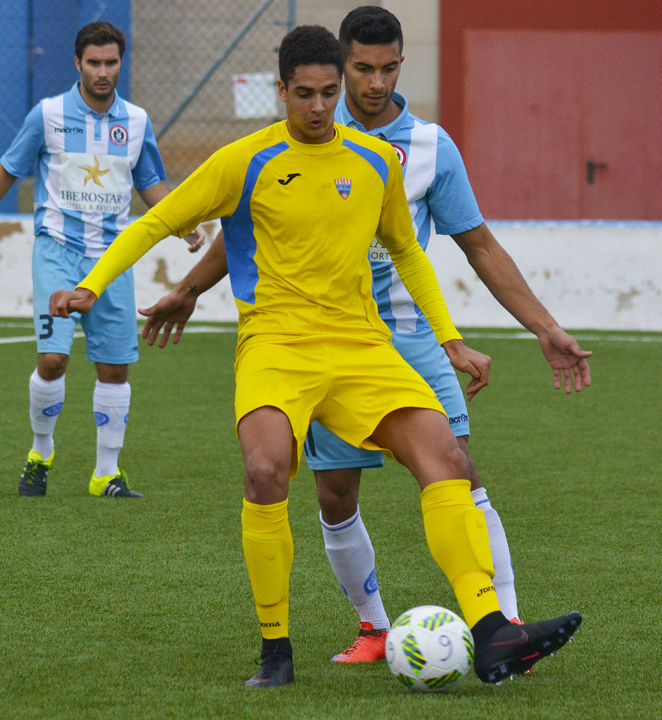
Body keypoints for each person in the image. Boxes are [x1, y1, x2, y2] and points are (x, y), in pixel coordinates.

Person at [50, 25, 582, 689]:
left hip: (362, 346)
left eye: (329, 92)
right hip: (275, 344)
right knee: (268, 470)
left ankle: (492, 629)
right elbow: (155, 222)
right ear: (281, 90)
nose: (318, 106)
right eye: (304, 93)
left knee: (446, 458)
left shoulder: (374, 161)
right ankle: (277, 650)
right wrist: (92, 286)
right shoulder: (244, 160)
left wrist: (447, 337)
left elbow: (410, 250)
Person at [302, 5, 593, 663]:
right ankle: (374, 628)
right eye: (362, 69)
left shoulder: (432, 146)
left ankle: (508, 627)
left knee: (458, 468)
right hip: (333, 341)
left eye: (388, 68)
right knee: (335, 491)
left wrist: (545, 327)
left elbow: (480, 245)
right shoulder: (311, 134)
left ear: (402, 64)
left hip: (413, 339)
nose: (376, 83)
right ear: (341, 65)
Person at [0, 21, 204, 498]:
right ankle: (40, 453)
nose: (102, 71)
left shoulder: (135, 121)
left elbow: (150, 181)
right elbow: (9, 169)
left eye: (111, 62)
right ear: (77, 63)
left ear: (120, 62)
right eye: (93, 62)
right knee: (52, 360)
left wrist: (182, 221)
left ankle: (105, 474)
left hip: (114, 259)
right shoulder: (47, 115)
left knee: (114, 368)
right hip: (57, 250)